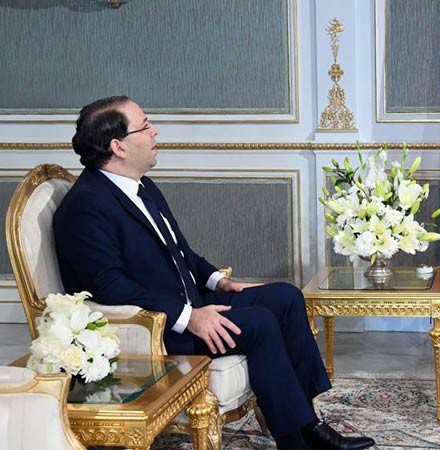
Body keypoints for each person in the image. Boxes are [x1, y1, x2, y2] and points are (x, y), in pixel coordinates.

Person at [53, 96, 375, 450]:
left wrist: (218, 281)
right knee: (259, 323)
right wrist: (190, 317)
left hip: (190, 301)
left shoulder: (140, 184)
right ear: (119, 147)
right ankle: (295, 443)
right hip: (155, 328)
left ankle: (310, 426)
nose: (154, 131)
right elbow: (109, 287)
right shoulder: (87, 205)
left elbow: (180, 250)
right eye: (144, 126)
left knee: (286, 296)